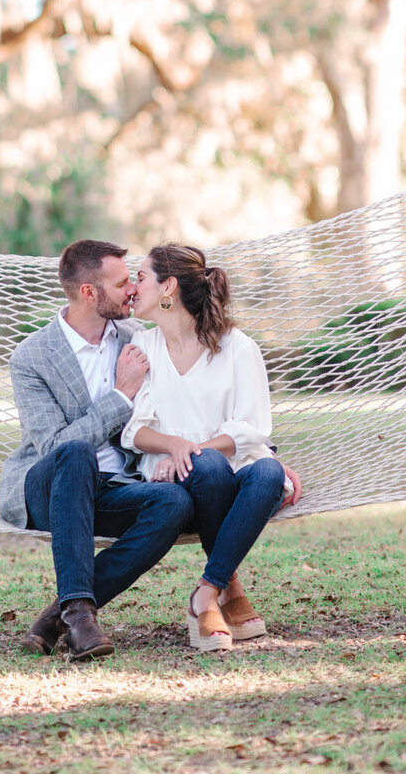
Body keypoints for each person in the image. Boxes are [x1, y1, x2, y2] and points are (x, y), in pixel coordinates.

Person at [0, 237, 194, 661]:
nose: (134, 291)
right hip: (48, 488)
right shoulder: (32, 357)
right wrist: (121, 397)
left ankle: (65, 614)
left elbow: (189, 404)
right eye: (124, 282)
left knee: (174, 502)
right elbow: (53, 447)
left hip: (113, 487)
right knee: (76, 454)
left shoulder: (138, 339)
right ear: (90, 292)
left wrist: (261, 453)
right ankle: (82, 619)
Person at [123, 243, 298, 651]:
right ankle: (230, 589)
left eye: (142, 277)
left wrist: (191, 448)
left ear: (168, 288)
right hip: (178, 479)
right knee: (209, 468)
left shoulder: (238, 347)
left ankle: (207, 590)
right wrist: (176, 449)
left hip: (237, 474)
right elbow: (133, 430)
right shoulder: (142, 349)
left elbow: (251, 428)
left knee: (269, 472)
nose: (133, 287)